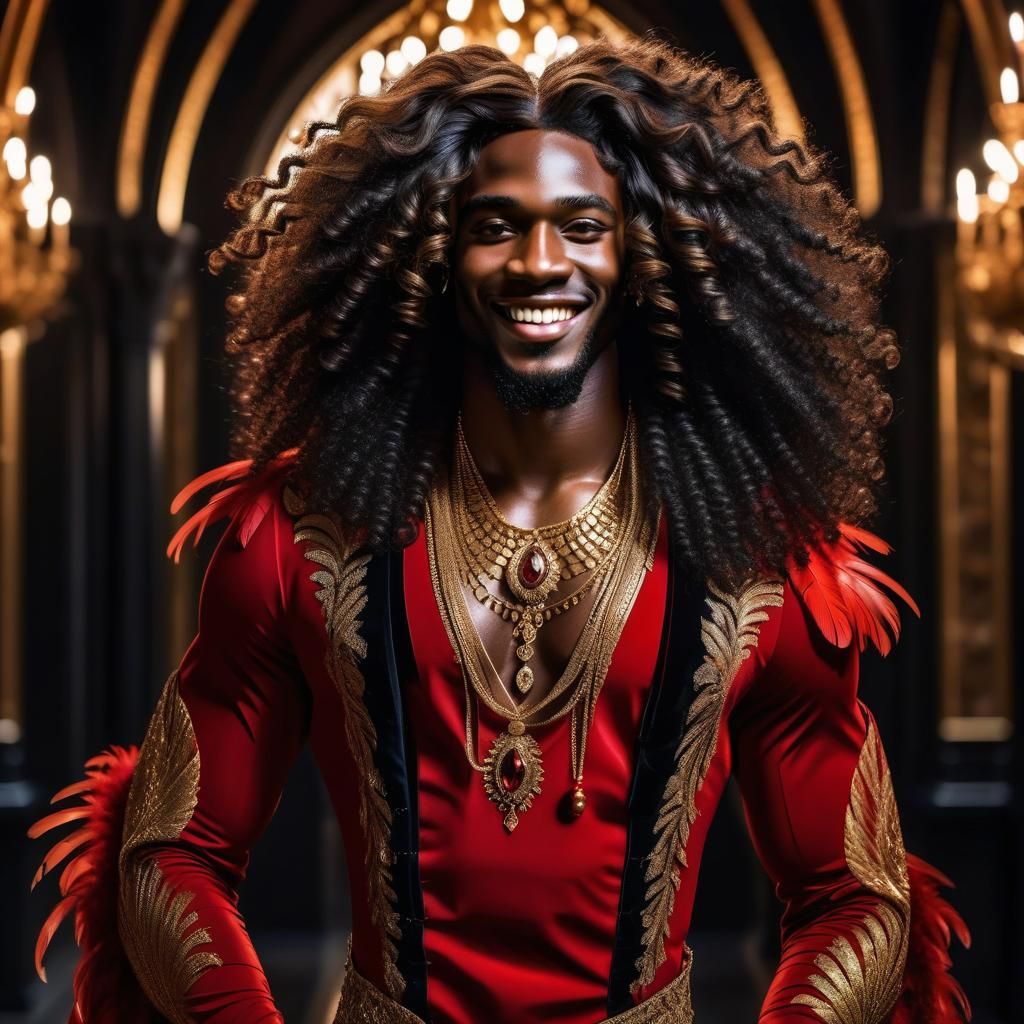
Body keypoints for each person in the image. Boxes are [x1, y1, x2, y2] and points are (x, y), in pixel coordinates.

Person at [30, 35, 970, 1024]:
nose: (538, 262)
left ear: (644, 252)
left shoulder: (760, 558)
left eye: (580, 225)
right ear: (432, 252)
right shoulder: (293, 533)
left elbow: (854, 894)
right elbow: (169, 852)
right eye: (495, 225)